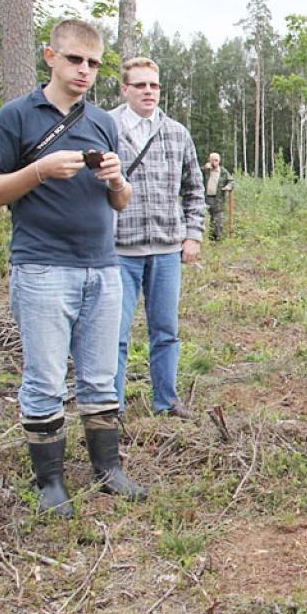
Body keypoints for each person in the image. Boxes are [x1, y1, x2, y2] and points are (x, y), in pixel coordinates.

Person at [0, 19, 147, 518]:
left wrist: (117, 181)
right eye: (75, 59)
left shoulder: (102, 121)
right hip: (42, 267)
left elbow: (120, 201)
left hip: (102, 267)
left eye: (93, 63)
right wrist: (38, 171)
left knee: (101, 377)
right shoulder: (15, 117)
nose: (84, 70)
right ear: (50, 57)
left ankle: (108, 470)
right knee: (45, 380)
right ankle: (50, 482)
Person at [110, 57, 206, 419]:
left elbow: (194, 189)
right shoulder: (107, 128)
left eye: (154, 85)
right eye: (140, 85)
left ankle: (166, 401)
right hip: (119, 250)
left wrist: (192, 235)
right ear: (125, 89)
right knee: (114, 334)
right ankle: (111, 407)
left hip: (167, 249)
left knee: (166, 331)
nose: (148, 91)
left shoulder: (176, 132)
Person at [201, 153, 234, 241]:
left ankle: (216, 241)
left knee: (218, 221)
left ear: (219, 161)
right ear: (209, 160)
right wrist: (204, 168)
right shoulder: (205, 171)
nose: (214, 162)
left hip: (218, 200)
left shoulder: (223, 172)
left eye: (216, 160)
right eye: (212, 160)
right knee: (203, 219)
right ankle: (203, 240)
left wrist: (229, 186)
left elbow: (231, 181)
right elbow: (195, 175)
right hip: (205, 199)